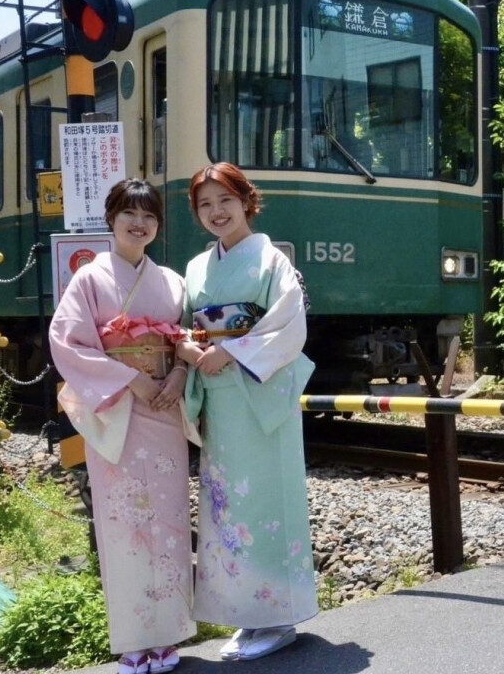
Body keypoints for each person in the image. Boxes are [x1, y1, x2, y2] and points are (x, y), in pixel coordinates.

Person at [49, 179, 201, 674]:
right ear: (111, 219)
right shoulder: (90, 279)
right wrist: (131, 379)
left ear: (158, 224)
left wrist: (178, 373)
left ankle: (170, 635)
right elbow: (68, 342)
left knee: (171, 520)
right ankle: (133, 642)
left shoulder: (173, 282)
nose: (140, 224)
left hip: (164, 409)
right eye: (129, 214)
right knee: (123, 526)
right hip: (118, 411)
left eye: (150, 216)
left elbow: (186, 340)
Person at [176, 162, 316, 661]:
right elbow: (187, 328)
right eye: (205, 204)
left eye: (224, 200)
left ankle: (278, 619)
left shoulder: (272, 260)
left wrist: (228, 351)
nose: (216, 212)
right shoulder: (196, 267)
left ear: (246, 201)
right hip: (218, 399)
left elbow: (289, 327)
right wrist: (192, 350)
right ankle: (245, 614)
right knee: (225, 507)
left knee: (266, 503)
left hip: (260, 401)